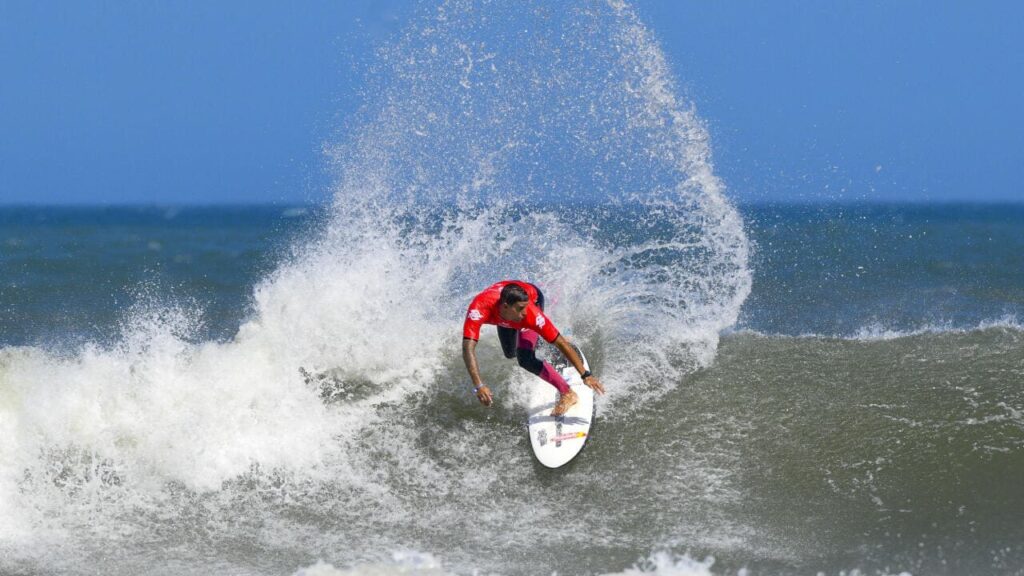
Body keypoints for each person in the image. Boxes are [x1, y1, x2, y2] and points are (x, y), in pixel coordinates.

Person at [462, 280, 605, 416]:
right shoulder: (479, 308)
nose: (524, 313)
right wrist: (479, 386)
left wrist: (586, 375)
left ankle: (567, 393)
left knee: (525, 359)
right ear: (505, 306)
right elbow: (468, 348)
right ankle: (541, 340)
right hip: (506, 313)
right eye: (520, 309)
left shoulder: (530, 313)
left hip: (532, 296)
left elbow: (561, 343)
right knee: (510, 353)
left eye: (525, 308)